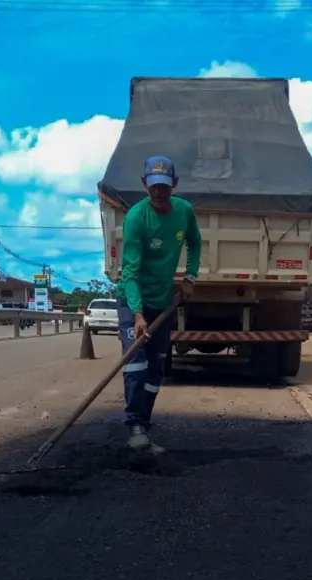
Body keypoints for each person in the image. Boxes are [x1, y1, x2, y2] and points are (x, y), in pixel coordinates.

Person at [117, 155, 201, 451]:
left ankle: (144, 427)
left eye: (164, 187)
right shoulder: (137, 218)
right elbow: (130, 272)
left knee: (156, 369)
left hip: (163, 301)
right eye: (153, 187)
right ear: (144, 184)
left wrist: (190, 276)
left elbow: (195, 242)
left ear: (174, 184)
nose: (158, 193)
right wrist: (138, 315)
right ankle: (134, 425)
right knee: (135, 364)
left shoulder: (184, 211)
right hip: (132, 300)